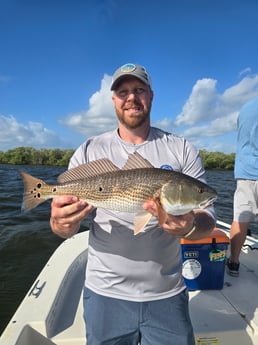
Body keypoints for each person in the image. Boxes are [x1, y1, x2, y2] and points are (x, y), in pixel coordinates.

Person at [50, 63, 216, 345]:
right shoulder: (90, 149)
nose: (131, 97)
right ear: (114, 99)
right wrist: (61, 222)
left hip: (167, 293)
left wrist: (189, 227)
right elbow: (62, 230)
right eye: (123, 91)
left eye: (139, 90)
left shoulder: (182, 148)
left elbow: (208, 219)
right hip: (105, 293)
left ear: (151, 96)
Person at [227, 96, 258, 277]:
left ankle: (234, 262)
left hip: (245, 171)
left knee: (240, 220)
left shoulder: (246, 107)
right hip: (246, 170)